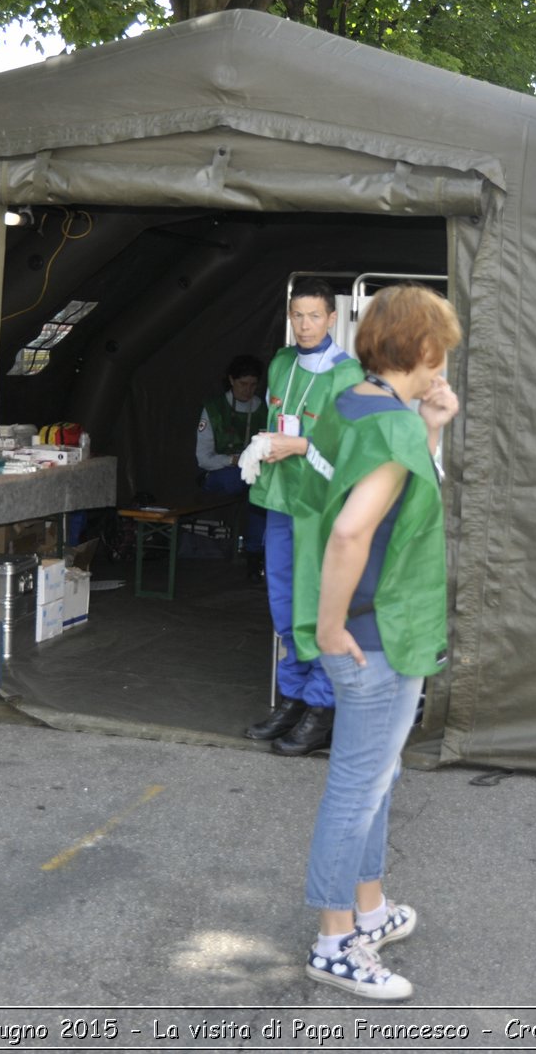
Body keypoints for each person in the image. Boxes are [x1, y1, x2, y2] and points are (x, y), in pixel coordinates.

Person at [289, 283, 461, 999]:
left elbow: (380, 501)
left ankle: (369, 906)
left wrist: (430, 427)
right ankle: (334, 939)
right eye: (441, 349)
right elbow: (356, 529)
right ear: (421, 348)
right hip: (376, 630)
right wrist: (331, 626)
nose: (445, 362)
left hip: (370, 621)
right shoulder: (389, 424)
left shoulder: (355, 403)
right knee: (359, 784)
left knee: (376, 774)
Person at [243, 278, 363, 756]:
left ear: (333, 318)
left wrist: (299, 445)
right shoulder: (279, 364)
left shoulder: (348, 374)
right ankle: (293, 698)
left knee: (319, 606)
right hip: (278, 501)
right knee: (284, 604)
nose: (305, 325)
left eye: (314, 316)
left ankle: (322, 707)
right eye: (298, 316)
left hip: (320, 506)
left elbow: (352, 452)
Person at [197, 354, 268, 578]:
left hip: (255, 474)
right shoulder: (214, 409)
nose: (248, 390)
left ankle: (255, 556)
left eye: (253, 385)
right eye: (243, 384)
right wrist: (235, 460)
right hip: (220, 473)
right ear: (231, 380)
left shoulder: (263, 410)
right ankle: (254, 553)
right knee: (251, 483)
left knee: (259, 489)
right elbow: (203, 458)